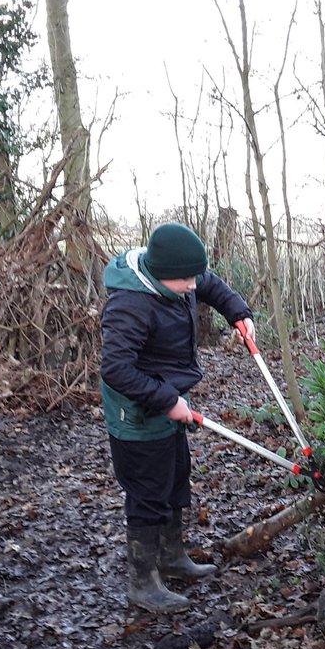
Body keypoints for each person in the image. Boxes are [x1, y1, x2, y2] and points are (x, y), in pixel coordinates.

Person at [100, 222, 255, 613]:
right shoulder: (130, 305)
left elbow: (210, 284)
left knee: (174, 478)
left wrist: (239, 314)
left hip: (166, 400)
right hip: (136, 414)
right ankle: (142, 582)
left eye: (192, 276)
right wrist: (167, 399)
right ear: (160, 273)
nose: (192, 285)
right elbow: (116, 368)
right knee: (148, 493)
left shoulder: (177, 273)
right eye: (184, 280)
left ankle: (172, 557)